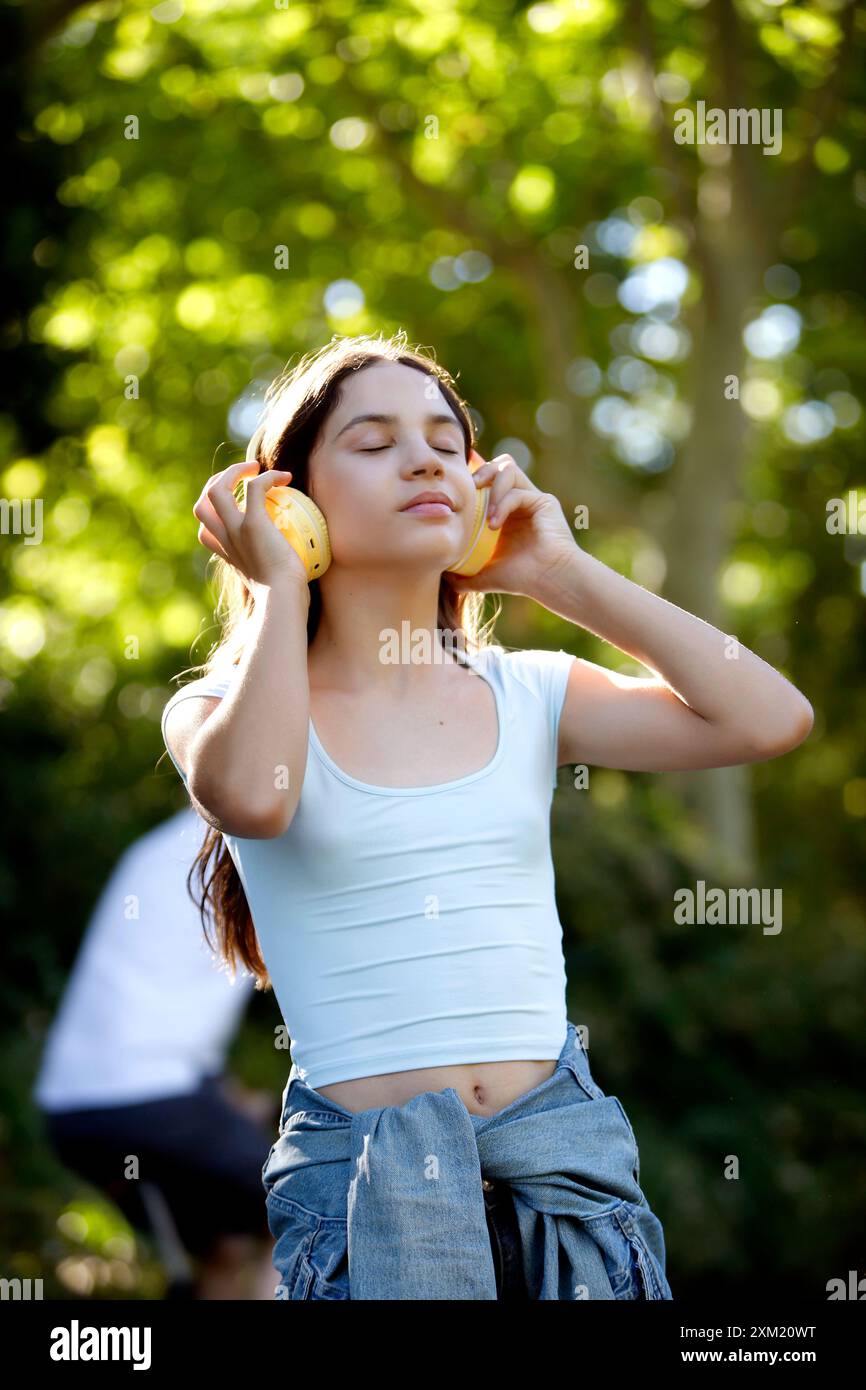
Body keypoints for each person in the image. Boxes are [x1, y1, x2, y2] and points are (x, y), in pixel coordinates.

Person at [161, 329, 814, 1300]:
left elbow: (769, 717)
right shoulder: (213, 708)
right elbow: (255, 798)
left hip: (570, 1185)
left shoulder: (529, 691)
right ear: (289, 501)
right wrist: (279, 581)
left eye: (443, 439)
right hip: (363, 1203)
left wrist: (562, 577)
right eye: (373, 441)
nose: (423, 457)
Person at [33, 807, 279, 1299]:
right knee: (300, 1205)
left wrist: (226, 1099)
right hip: (154, 1103)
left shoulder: (158, 848)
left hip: (73, 1112)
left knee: (223, 1240)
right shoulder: (254, 842)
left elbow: (151, 1021)